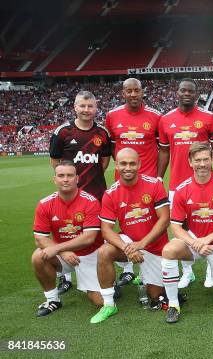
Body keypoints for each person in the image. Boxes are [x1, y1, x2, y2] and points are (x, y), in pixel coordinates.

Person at [161, 142, 213, 323]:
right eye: (198, 160)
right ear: (190, 162)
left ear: (212, 160)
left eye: (206, 159)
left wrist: (208, 239)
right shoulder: (182, 189)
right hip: (195, 240)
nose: (202, 164)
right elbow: (176, 227)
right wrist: (195, 242)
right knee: (169, 250)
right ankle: (173, 304)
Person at [158, 78, 213, 289]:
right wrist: (160, 178)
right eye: (183, 90)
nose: (187, 93)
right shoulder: (166, 119)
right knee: (182, 228)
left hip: (207, 183)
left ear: (197, 95)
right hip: (178, 185)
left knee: (211, 221)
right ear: (177, 92)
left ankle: (212, 269)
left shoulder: (208, 117)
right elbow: (164, 151)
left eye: (191, 91)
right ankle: (188, 271)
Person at [91, 148, 170, 324]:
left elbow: (165, 219)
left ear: (139, 164)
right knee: (104, 251)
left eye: (132, 163)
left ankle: (144, 277)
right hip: (129, 243)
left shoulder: (154, 184)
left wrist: (142, 244)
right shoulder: (111, 193)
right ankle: (109, 304)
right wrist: (128, 247)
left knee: (156, 295)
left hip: (154, 246)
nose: (128, 167)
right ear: (117, 165)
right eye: (123, 163)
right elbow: (106, 230)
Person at [49, 90, 111, 293]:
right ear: (75, 107)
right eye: (82, 106)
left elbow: (104, 161)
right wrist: (69, 182)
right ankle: (65, 277)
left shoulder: (102, 133)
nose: (86, 110)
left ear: (96, 108)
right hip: (70, 196)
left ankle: (97, 271)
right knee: (68, 230)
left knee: (99, 235)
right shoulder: (63, 132)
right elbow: (55, 161)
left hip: (97, 194)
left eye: (90, 106)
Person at [105, 78, 163, 286]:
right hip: (124, 180)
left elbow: (163, 148)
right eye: (128, 91)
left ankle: (155, 261)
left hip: (148, 180)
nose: (132, 94)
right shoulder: (112, 116)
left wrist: (158, 176)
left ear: (142, 92)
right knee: (126, 221)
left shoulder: (156, 116)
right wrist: (124, 167)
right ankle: (129, 268)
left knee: (150, 220)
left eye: (136, 91)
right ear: (123, 93)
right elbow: (112, 146)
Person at [32, 160, 104, 316]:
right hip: (65, 255)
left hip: (90, 254)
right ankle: (52, 300)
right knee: (38, 256)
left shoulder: (91, 202)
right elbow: (40, 237)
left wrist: (58, 248)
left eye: (70, 175)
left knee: (100, 301)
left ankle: (100, 283)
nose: (65, 179)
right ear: (55, 179)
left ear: (77, 178)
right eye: (61, 175)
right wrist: (63, 252)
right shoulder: (45, 204)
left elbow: (89, 238)